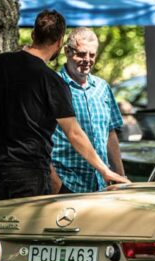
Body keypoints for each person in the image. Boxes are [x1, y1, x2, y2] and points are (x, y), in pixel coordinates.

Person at [0, 10, 129, 261]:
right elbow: (75, 134)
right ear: (59, 43)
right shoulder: (49, 80)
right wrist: (107, 170)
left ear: (34, 33)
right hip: (28, 174)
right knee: (22, 249)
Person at [51, 27, 126, 194]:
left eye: (92, 55)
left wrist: (120, 175)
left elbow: (110, 133)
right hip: (67, 184)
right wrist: (56, 185)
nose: (87, 60)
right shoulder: (53, 85)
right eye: (81, 54)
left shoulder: (102, 87)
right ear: (67, 51)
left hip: (102, 185)